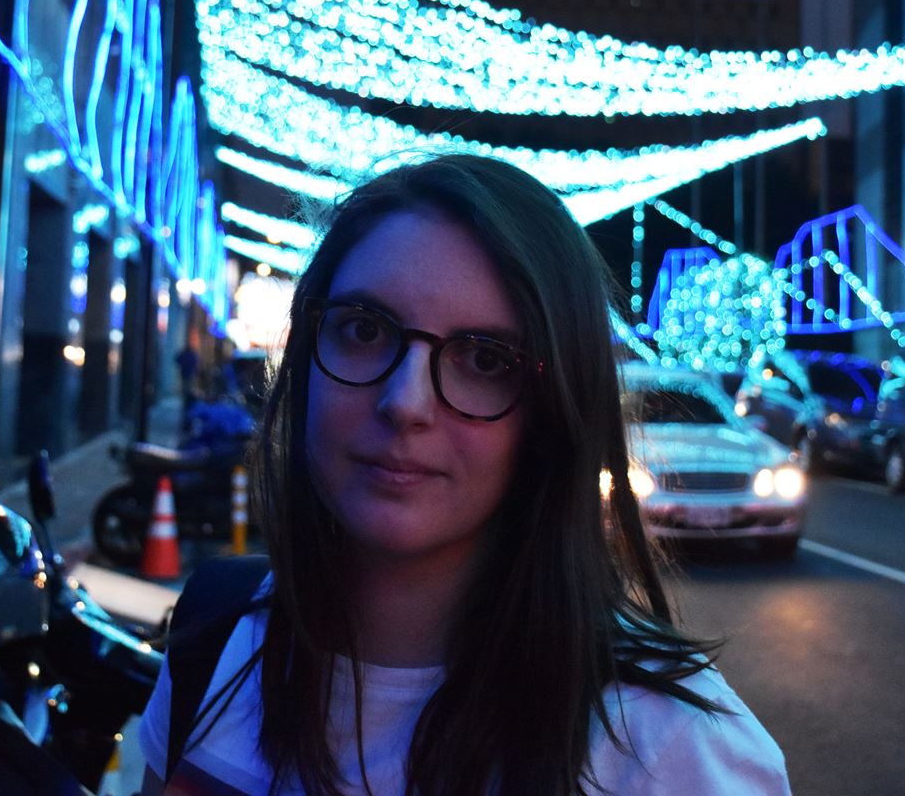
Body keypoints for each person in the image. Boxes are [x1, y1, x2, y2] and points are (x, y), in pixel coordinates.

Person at [138, 155, 789, 796]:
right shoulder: (219, 637)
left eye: (485, 360)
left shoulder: (675, 753)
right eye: (363, 330)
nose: (405, 403)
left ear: (555, 413)